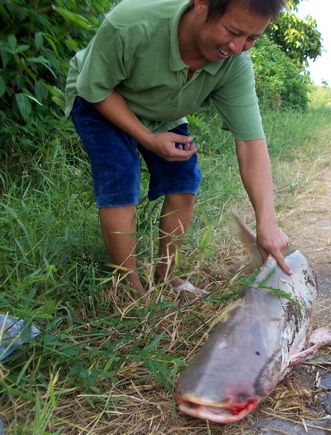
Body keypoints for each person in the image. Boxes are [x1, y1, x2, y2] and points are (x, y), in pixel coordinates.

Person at [65, 0, 292, 298]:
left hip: (162, 110)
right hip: (102, 98)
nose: (237, 47)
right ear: (201, 4)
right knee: (121, 175)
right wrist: (147, 138)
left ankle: (167, 276)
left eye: (251, 38)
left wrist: (267, 222)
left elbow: (251, 143)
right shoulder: (131, 23)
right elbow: (96, 89)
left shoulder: (234, 64)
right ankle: (130, 289)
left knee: (184, 181)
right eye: (232, 31)